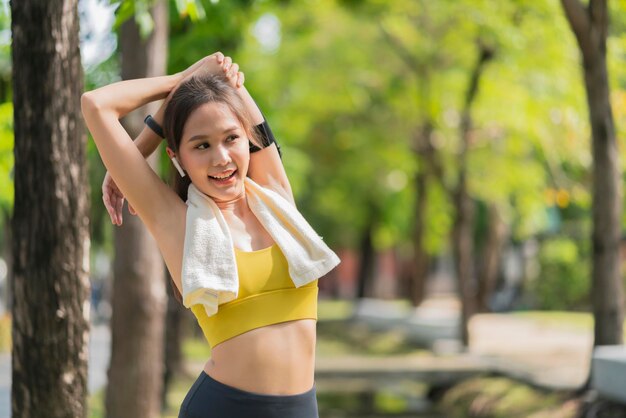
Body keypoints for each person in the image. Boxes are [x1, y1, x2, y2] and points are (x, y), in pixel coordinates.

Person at [81, 52, 335, 418]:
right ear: (178, 157)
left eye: (231, 138)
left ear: (248, 141)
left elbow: (225, 72)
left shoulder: (277, 197)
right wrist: (181, 80)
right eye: (201, 145)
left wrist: (198, 79)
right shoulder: (178, 224)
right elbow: (96, 104)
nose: (221, 158)